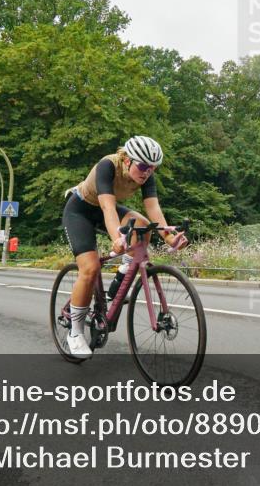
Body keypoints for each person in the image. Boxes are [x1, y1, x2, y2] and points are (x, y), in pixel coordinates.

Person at [61, 136, 188, 359]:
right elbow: (107, 208)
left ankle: (121, 278)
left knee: (144, 224)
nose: (147, 172)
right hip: (80, 211)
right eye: (143, 166)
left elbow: (154, 210)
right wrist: (117, 239)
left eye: (152, 168)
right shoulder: (107, 166)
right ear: (127, 160)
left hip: (105, 210)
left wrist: (170, 239)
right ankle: (75, 332)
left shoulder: (146, 174)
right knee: (90, 269)